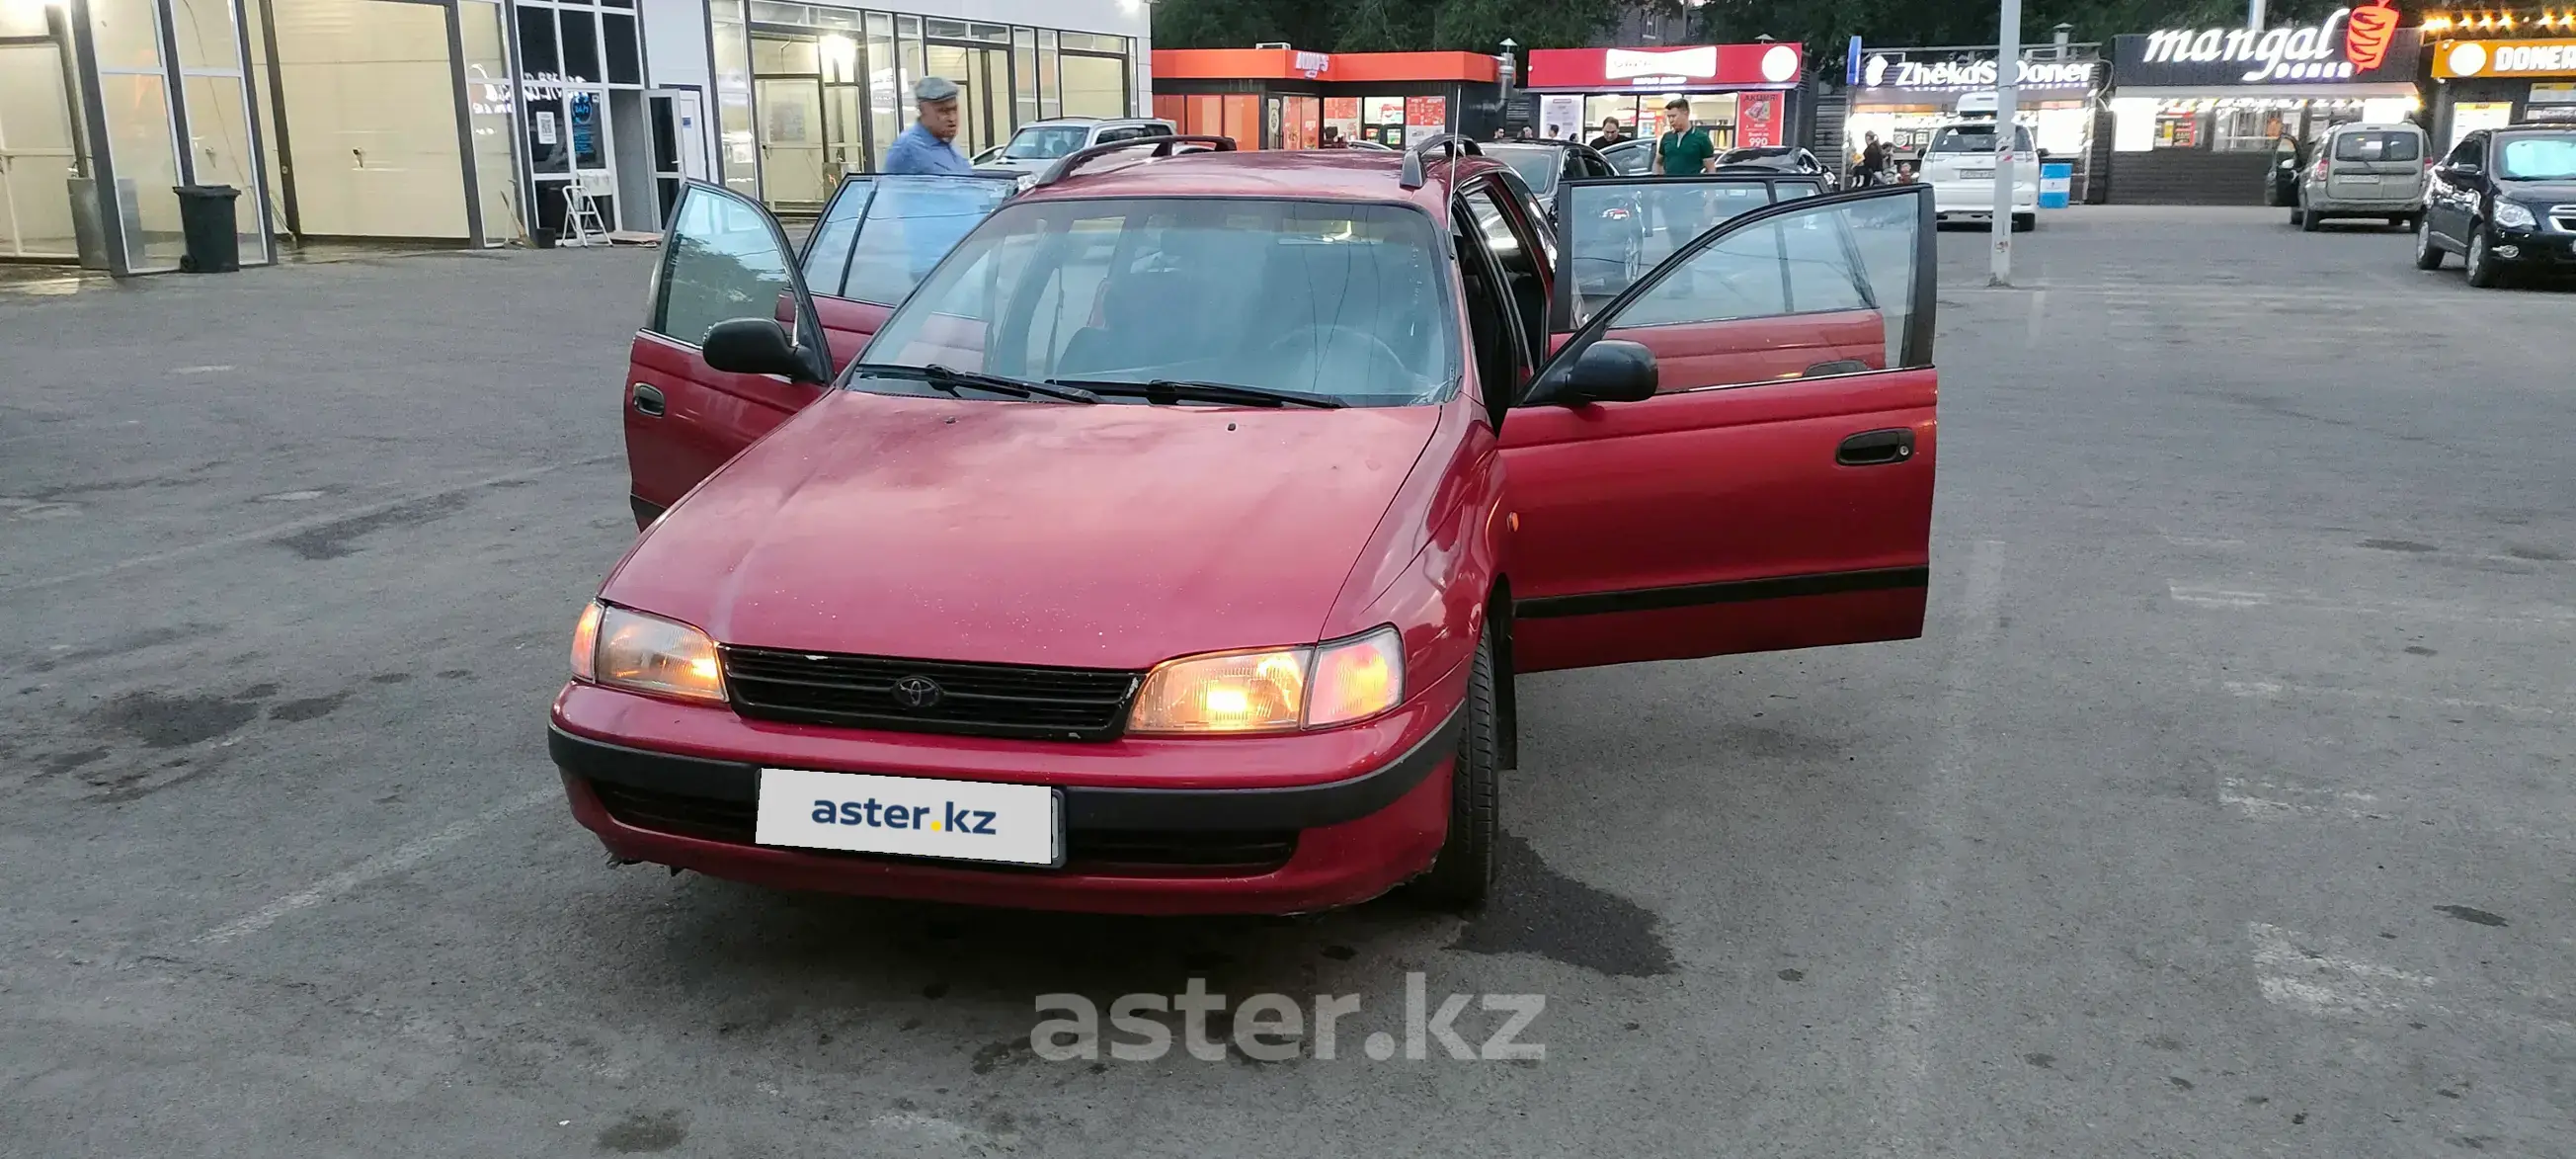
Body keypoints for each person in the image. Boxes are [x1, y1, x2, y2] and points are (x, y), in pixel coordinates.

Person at [882, 76, 972, 175]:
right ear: (922, 111)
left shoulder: (949, 145)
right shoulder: (906, 149)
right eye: (943, 111)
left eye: (954, 109)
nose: (952, 118)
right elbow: (890, 187)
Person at [1650, 98, 1714, 176]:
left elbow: (1711, 170)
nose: (1671, 120)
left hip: (1691, 186)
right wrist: (1657, 181)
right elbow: (1657, 162)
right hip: (1668, 186)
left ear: (1685, 114)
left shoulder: (1702, 138)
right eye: (1669, 117)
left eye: (1673, 116)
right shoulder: (1667, 137)